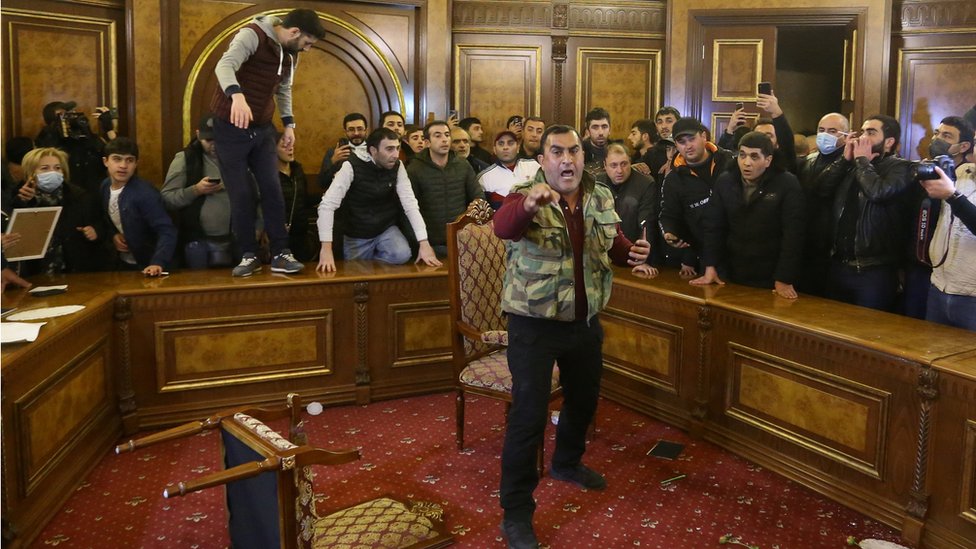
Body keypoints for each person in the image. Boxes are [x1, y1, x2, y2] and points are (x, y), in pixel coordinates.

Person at [493, 124, 653, 549]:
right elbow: (504, 228)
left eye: (575, 152)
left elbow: (611, 244)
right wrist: (529, 204)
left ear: (585, 156)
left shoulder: (599, 194)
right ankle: (516, 512)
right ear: (543, 159)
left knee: (584, 400)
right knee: (528, 417)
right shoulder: (522, 191)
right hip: (534, 326)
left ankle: (566, 462)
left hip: (584, 322)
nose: (568, 160)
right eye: (558, 152)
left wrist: (629, 252)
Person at [209, 8, 324, 276]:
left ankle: (281, 253)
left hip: (261, 128)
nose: (307, 49)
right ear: (294, 32)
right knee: (241, 193)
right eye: (307, 43)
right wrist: (236, 96)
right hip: (229, 127)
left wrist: (289, 125)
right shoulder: (252, 35)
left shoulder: (291, 55)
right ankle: (248, 254)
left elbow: (284, 89)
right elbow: (224, 66)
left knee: (272, 189)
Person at [817, 115, 914, 311]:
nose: (862, 137)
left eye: (871, 132)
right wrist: (844, 160)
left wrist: (862, 161)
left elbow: (878, 192)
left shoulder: (901, 167)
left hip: (873, 271)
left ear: (889, 142)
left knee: (866, 332)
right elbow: (820, 189)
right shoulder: (852, 165)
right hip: (839, 265)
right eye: (862, 131)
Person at [690, 132, 805, 298]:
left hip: (770, 273)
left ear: (768, 160)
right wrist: (710, 265)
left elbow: (794, 234)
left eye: (754, 157)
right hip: (731, 270)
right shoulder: (726, 181)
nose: (746, 163)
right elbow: (713, 226)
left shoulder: (786, 183)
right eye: (742, 155)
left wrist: (783, 278)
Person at [316, 128, 440, 272]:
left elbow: (410, 204)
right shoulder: (350, 166)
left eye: (397, 148)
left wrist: (424, 243)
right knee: (357, 275)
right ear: (373, 150)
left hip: (385, 228)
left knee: (402, 255)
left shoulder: (398, 166)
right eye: (389, 149)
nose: (395, 155)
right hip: (356, 233)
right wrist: (326, 249)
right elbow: (326, 206)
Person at [659, 117, 735, 277]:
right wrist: (669, 232)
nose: (688, 146)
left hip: (739, 251)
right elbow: (669, 215)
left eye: (691, 139)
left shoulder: (728, 162)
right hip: (704, 257)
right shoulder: (674, 179)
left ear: (703, 136)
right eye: (681, 142)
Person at [161, 114, 237, 269]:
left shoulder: (239, 158)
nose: (214, 145)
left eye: (219, 139)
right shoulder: (185, 159)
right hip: (197, 242)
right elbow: (166, 199)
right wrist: (196, 190)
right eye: (208, 140)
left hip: (236, 240)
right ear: (198, 135)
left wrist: (258, 228)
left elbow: (256, 197)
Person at [10, 147, 103, 276]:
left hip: (73, 271)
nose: (53, 172)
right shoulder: (15, 198)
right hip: (34, 273)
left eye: (57, 168)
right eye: (45, 168)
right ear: (31, 173)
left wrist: (95, 230)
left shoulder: (80, 197)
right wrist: (23, 203)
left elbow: (100, 224)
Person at [99, 137, 176, 275]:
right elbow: (106, 220)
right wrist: (114, 235)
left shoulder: (145, 193)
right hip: (123, 264)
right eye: (117, 159)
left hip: (151, 265)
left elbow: (167, 230)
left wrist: (157, 262)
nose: (123, 165)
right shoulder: (104, 186)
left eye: (129, 160)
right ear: (105, 161)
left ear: (136, 163)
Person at [407, 120, 482, 256]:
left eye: (447, 135)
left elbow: (479, 197)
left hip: (461, 237)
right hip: (430, 240)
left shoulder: (462, 165)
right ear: (427, 142)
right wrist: (420, 241)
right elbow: (408, 208)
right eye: (438, 135)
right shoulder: (415, 169)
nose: (444, 140)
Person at [796, 113, 850, 296]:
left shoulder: (851, 163)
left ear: (846, 135)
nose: (825, 135)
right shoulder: (808, 161)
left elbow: (823, 189)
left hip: (833, 249)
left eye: (832, 131)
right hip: (807, 244)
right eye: (821, 130)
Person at [921, 163, 976, 330]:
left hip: (972, 297)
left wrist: (953, 196)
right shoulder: (961, 171)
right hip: (939, 286)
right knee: (930, 353)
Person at [276, 132, 315, 262]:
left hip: (301, 234)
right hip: (278, 235)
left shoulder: (298, 170)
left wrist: (324, 199)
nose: (290, 148)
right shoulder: (269, 175)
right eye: (284, 146)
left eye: (291, 145)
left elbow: (304, 199)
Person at [478, 130, 540, 210]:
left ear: (518, 148)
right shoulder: (484, 178)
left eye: (510, 143)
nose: (505, 147)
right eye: (501, 144)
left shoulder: (533, 166)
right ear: (494, 150)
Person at [317, 112, 368, 190]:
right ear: (345, 132)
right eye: (351, 129)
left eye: (360, 129)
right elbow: (322, 183)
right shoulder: (333, 152)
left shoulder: (375, 150)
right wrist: (333, 162)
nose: (356, 133)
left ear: (366, 130)